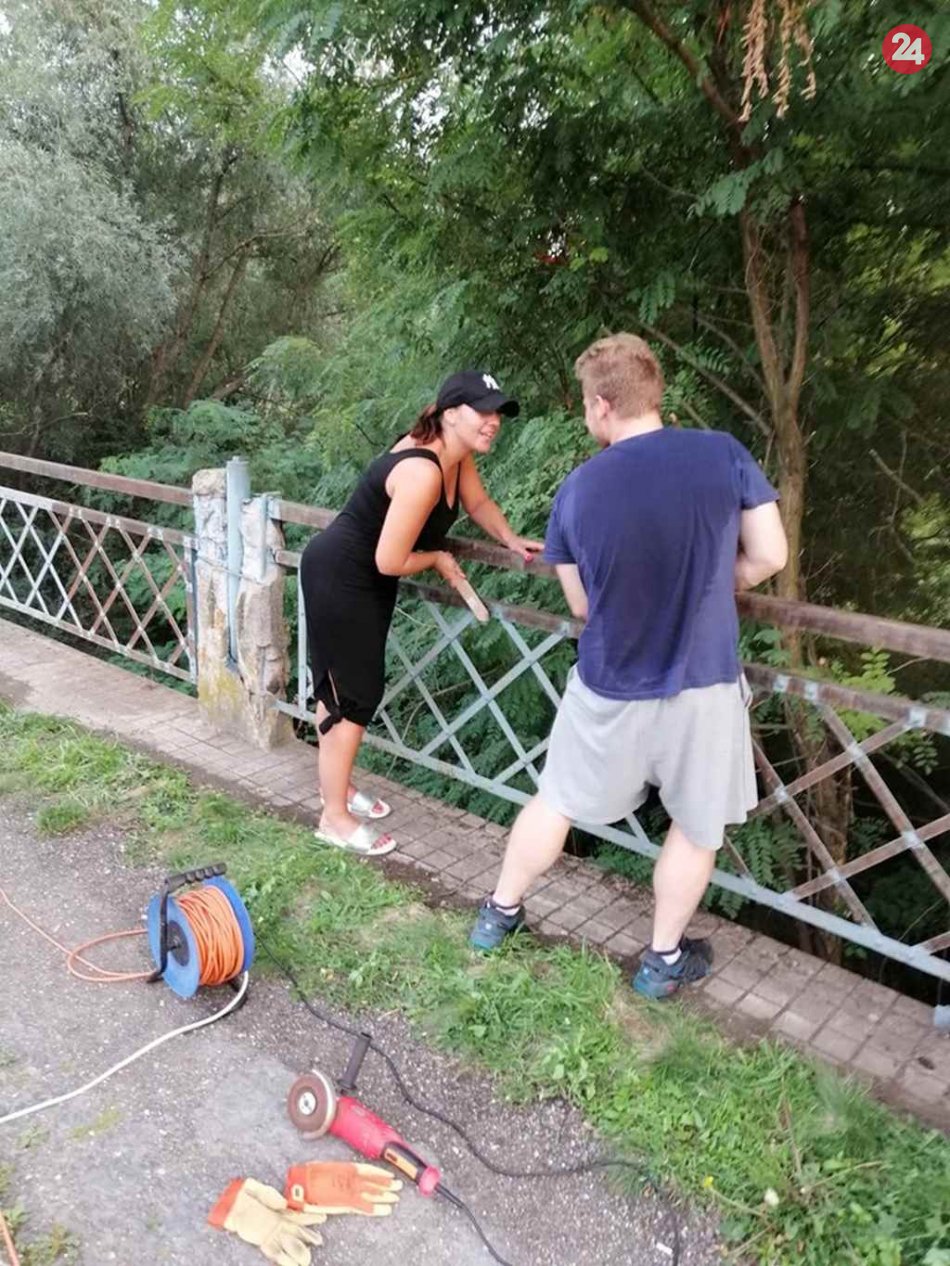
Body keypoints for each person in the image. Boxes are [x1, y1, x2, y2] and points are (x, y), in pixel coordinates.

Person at [469, 333, 788, 999]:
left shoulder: (579, 489)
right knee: (695, 829)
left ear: (603, 405)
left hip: (609, 682)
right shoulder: (723, 455)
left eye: (587, 407)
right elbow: (769, 557)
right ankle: (661, 960)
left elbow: (582, 604)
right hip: (702, 683)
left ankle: (498, 915)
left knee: (556, 800)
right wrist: (714, 580)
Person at [300, 370, 543, 858]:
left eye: (497, 412)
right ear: (450, 414)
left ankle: (336, 788)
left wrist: (510, 538)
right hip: (345, 575)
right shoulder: (423, 471)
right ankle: (334, 818)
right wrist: (436, 558)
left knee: (339, 688)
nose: (493, 421)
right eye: (483, 410)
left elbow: (478, 502)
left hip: (358, 577)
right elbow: (390, 560)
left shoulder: (455, 455)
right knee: (354, 693)